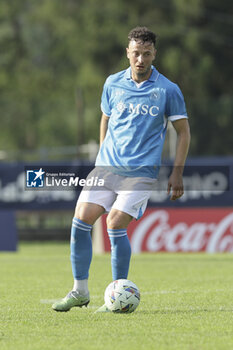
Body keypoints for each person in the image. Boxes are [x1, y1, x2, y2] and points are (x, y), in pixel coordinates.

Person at [52, 26, 191, 312]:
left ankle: (117, 296)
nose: (140, 59)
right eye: (136, 53)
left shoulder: (167, 90)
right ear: (128, 53)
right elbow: (105, 118)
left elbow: (184, 132)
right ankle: (79, 291)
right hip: (106, 168)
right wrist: (102, 153)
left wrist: (177, 172)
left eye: (147, 54)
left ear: (154, 54)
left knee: (114, 223)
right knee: (80, 222)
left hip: (140, 172)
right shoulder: (112, 83)